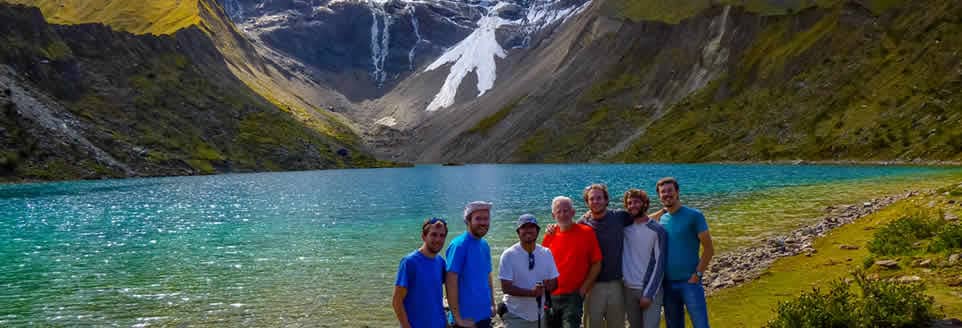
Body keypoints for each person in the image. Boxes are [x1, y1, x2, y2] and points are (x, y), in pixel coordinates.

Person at [656, 178, 714, 328]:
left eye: (670, 190)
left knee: (701, 325)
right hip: (668, 284)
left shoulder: (694, 216)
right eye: (663, 192)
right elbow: (638, 221)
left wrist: (698, 275)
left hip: (690, 283)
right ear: (659, 196)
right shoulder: (662, 219)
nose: (667, 194)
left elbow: (708, 248)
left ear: (677, 192)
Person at [542, 196, 603, 328]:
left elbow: (597, 263)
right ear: (553, 215)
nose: (563, 214)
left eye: (566, 210)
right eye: (559, 211)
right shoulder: (549, 235)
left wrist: (583, 289)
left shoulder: (586, 232)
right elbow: (543, 265)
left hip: (573, 296)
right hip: (550, 297)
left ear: (573, 212)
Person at [578, 184, 633, 328]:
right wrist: (551, 229)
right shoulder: (583, 223)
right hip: (592, 286)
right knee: (592, 324)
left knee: (617, 324)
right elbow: (565, 233)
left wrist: (663, 211)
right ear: (587, 202)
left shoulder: (620, 216)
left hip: (616, 284)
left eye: (599, 198)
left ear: (606, 200)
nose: (595, 201)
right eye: (592, 199)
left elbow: (643, 221)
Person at [499, 214, 560, 328]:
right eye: (524, 227)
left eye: (532, 227)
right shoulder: (508, 255)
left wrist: (549, 285)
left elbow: (555, 283)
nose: (528, 231)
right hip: (515, 314)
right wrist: (532, 293)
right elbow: (506, 288)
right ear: (518, 231)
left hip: (539, 315)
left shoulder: (546, 253)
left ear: (537, 231)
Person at [446, 201, 496, 328]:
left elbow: (488, 276)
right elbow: (450, 282)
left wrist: (492, 303)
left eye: (486, 218)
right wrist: (457, 319)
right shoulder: (459, 245)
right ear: (468, 221)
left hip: (484, 316)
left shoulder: (484, 245)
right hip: (466, 320)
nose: (483, 223)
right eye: (478, 219)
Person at [621, 190, 667, 328]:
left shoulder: (658, 230)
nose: (632, 205)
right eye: (629, 203)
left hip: (649, 290)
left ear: (645, 204)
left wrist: (649, 294)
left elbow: (660, 263)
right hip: (628, 289)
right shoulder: (624, 227)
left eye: (636, 202)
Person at [393, 217, 449, 328]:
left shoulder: (441, 262)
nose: (438, 239)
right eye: (433, 235)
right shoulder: (409, 262)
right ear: (423, 236)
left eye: (442, 236)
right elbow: (397, 302)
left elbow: (436, 296)